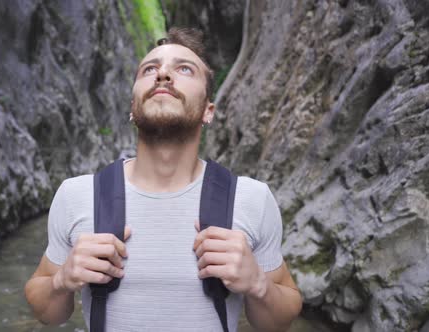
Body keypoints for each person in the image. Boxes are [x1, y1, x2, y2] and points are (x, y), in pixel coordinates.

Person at [24, 27, 302, 331]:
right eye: (150, 69)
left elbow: (279, 321)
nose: (163, 75)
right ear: (133, 108)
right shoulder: (77, 195)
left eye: (184, 68)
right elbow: (45, 312)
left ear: (209, 111)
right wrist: (62, 280)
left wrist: (258, 284)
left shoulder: (251, 198)